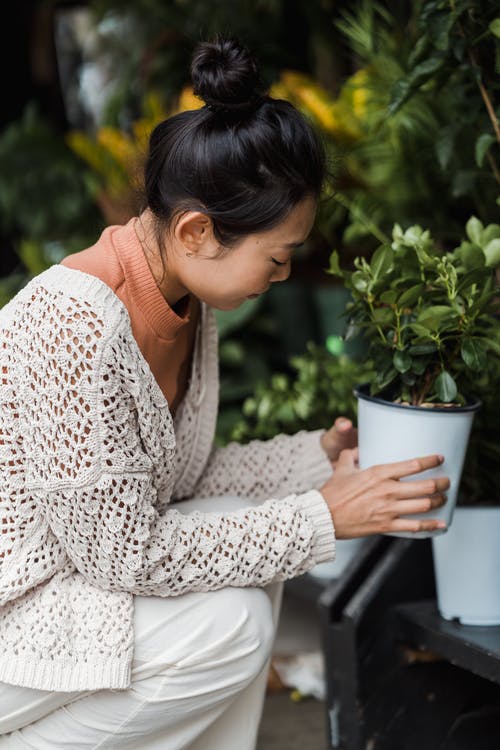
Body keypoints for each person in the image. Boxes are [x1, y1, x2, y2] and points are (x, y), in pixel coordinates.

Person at [0, 37, 449, 750]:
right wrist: (320, 518)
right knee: (230, 621)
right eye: (277, 256)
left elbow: (179, 484)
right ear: (197, 230)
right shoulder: (72, 323)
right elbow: (125, 556)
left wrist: (319, 461)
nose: (281, 274)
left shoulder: (184, 301)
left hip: (75, 593)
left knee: (245, 551)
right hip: (18, 612)